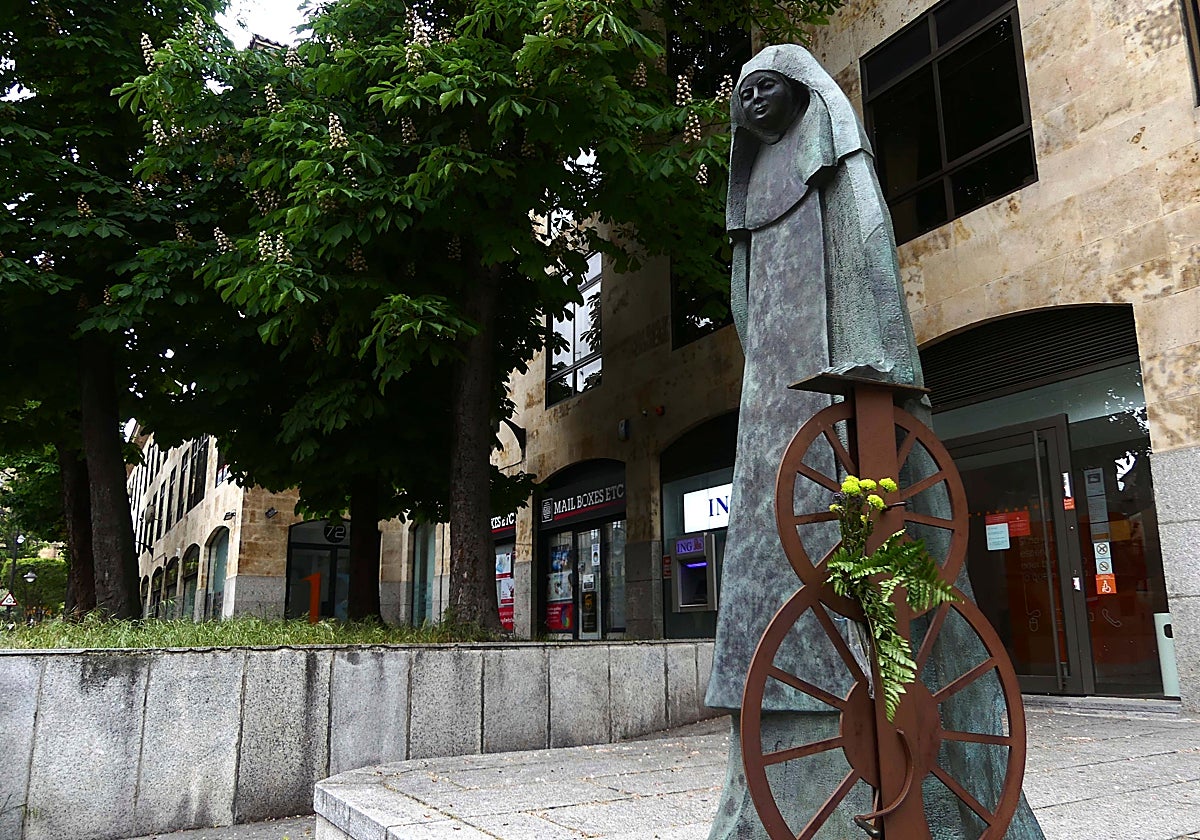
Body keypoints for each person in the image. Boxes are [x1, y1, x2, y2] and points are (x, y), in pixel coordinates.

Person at [706, 44, 1045, 839]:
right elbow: (746, 294)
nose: (755, 104)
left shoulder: (841, 164)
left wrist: (871, 366)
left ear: (801, 94)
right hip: (773, 408)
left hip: (838, 385)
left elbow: (865, 252)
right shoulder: (754, 187)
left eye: (769, 89)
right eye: (743, 95)